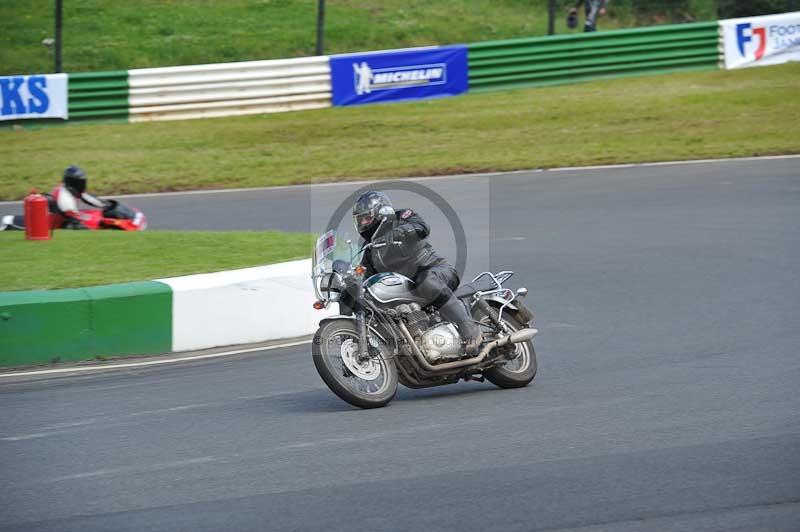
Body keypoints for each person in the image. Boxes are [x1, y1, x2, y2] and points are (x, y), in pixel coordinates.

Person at [352, 191, 482, 356]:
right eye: (360, 219)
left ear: (380, 212)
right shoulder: (370, 248)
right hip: (410, 290)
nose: (363, 222)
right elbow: (367, 277)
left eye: (366, 218)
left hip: (437, 271)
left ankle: (468, 327)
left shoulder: (402, 217)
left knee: (425, 281)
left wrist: (398, 232)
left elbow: (422, 227)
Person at [0, 165, 107, 231]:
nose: (83, 184)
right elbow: (78, 225)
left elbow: (88, 198)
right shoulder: (66, 200)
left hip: (55, 219)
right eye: (81, 182)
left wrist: (108, 205)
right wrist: (102, 227)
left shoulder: (70, 189)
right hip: (42, 225)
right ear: (74, 183)